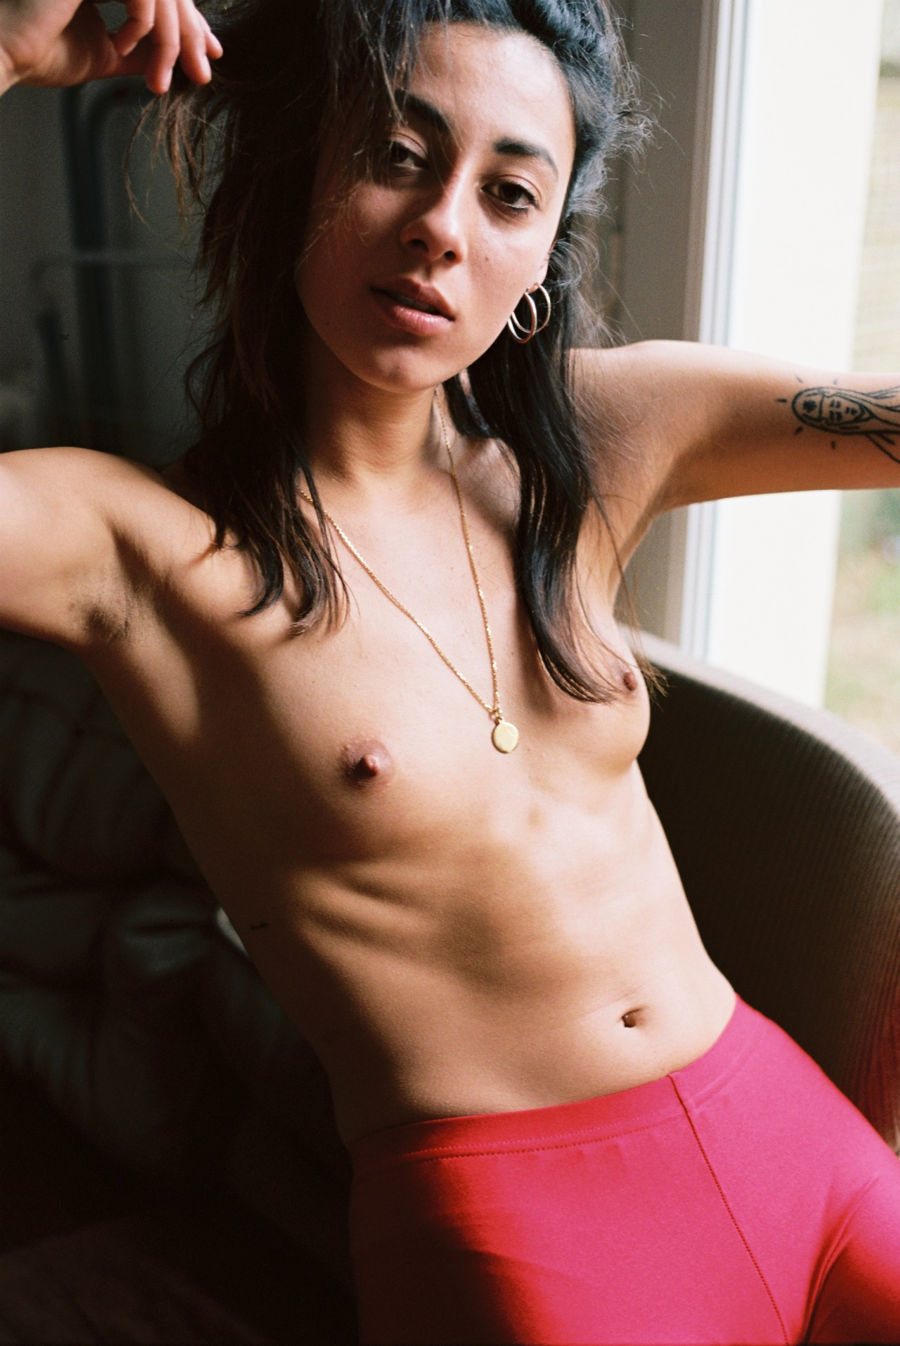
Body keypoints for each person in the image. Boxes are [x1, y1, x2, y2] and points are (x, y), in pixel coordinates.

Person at [1, 1, 899, 1341]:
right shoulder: (142, 551)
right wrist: (6, 49)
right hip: (520, 1231)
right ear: (295, 174)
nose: (441, 226)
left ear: (542, 252)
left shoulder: (595, 441)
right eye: (397, 155)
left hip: (796, 1145)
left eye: (509, 191)